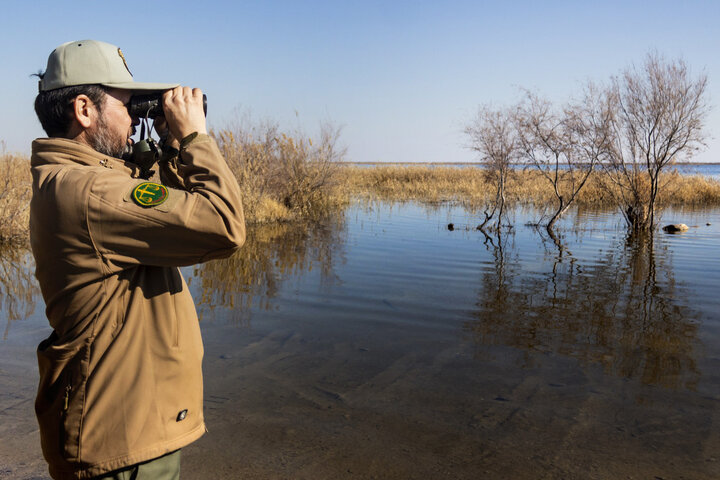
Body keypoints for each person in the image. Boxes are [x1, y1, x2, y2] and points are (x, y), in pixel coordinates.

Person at [30, 40, 245, 479]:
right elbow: (223, 224)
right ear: (84, 110)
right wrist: (193, 138)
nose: (134, 119)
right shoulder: (89, 191)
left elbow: (166, 205)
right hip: (122, 444)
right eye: (128, 105)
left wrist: (164, 143)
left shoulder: (76, 180)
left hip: (125, 428)